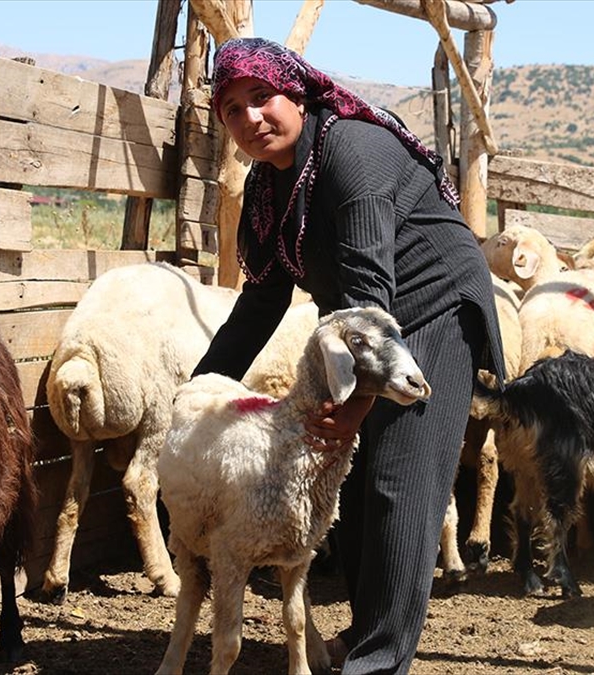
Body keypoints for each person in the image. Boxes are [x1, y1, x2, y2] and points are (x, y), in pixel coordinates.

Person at [191, 37, 506, 675]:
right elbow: (259, 306)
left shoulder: (351, 155)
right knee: (355, 483)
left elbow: (369, 297)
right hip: (371, 323)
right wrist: (195, 396)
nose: (251, 118)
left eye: (262, 97)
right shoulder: (268, 189)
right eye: (231, 109)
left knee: (398, 483)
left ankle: (379, 662)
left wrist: (357, 405)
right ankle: (369, 633)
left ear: (296, 92)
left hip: (434, 311)